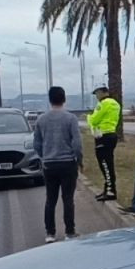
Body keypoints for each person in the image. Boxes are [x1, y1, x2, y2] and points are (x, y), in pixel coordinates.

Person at [32, 86, 83, 243]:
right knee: (68, 199)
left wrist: (44, 156)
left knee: (50, 199)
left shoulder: (41, 119)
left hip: (49, 165)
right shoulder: (71, 119)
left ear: (50, 99)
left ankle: (50, 233)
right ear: (64, 99)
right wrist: (79, 160)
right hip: (67, 164)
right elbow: (77, 143)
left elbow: (36, 144)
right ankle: (69, 232)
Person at [87, 85, 122, 201]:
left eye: (97, 93)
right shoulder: (116, 104)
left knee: (105, 165)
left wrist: (88, 117)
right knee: (108, 163)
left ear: (103, 92)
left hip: (102, 136)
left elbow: (94, 120)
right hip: (111, 134)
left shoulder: (102, 104)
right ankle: (108, 189)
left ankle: (111, 191)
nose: (96, 96)